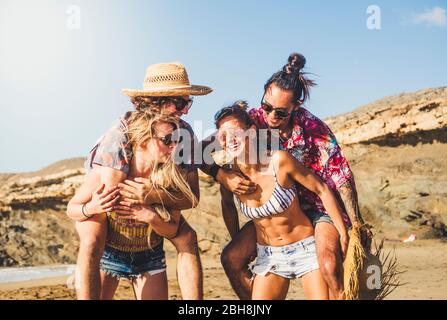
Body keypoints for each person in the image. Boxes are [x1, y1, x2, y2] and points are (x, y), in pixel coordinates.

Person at [205, 53, 368, 300]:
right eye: (267, 106)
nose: (271, 116)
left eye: (280, 113)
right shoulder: (252, 119)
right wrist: (221, 175)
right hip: (277, 210)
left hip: (316, 206)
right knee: (231, 257)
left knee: (328, 265)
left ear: (296, 107)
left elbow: (340, 179)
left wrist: (355, 226)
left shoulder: (314, 130)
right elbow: (195, 150)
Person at [71, 62, 212, 300]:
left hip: (149, 241)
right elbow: (107, 197)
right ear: (156, 101)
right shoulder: (119, 137)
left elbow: (191, 197)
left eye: (188, 103)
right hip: (111, 236)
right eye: (180, 103)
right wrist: (88, 209)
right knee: (92, 236)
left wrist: (153, 196)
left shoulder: (184, 135)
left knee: (188, 238)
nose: (185, 111)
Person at [213, 101, 348, 299]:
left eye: (235, 133)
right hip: (269, 257)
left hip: (305, 250)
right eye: (222, 136)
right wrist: (237, 239)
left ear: (251, 131)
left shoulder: (279, 161)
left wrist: (343, 233)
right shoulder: (230, 176)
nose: (229, 140)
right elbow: (227, 205)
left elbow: (322, 189)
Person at [68, 112, 194, 299]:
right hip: (110, 256)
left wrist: (150, 216)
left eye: (176, 140)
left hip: (149, 257)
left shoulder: (169, 178)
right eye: (167, 140)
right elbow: (72, 209)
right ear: (144, 139)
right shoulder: (111, 171)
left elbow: (172, 229)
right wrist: (91, 208)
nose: (174, 146)